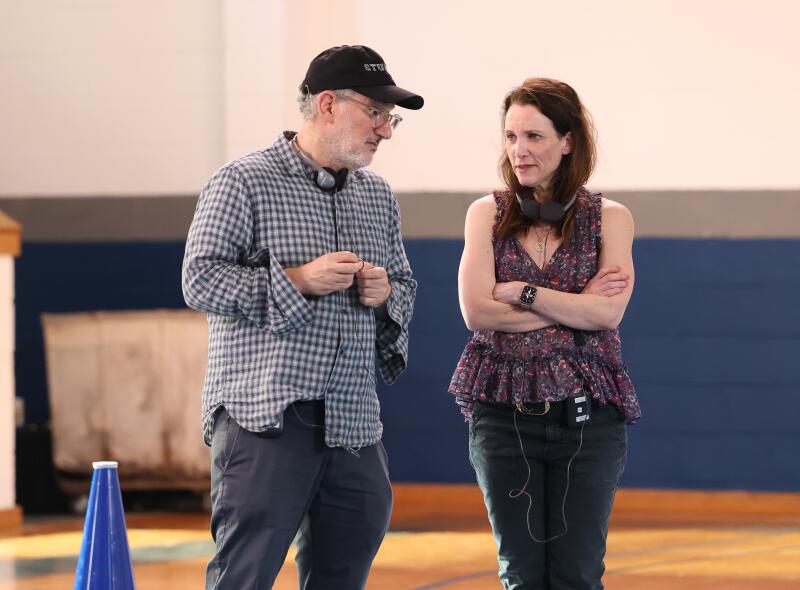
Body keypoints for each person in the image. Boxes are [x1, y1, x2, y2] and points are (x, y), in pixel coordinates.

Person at [182, 45, 422, 590]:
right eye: (377, 114)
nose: (385, 130)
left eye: (391, 119)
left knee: (344, 574)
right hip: (265, 420)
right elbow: (199, 281)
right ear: (329, 105)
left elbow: (405, 287)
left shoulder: (378, 197)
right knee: (244, 577)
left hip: (354, 422)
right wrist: (299, 281)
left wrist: (385, 293)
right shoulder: (242, 181)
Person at [448, 78, 641, 589]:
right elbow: (477, 313)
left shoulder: (611, 219)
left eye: (533, 136)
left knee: (578, 575)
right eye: (511, 137)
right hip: (502, 417)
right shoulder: (485, 213)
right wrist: (574, 305)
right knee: (521, 574)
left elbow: (607, 315)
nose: (519, 151)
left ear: (568, 141)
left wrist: (523, 292)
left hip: (589, 419)